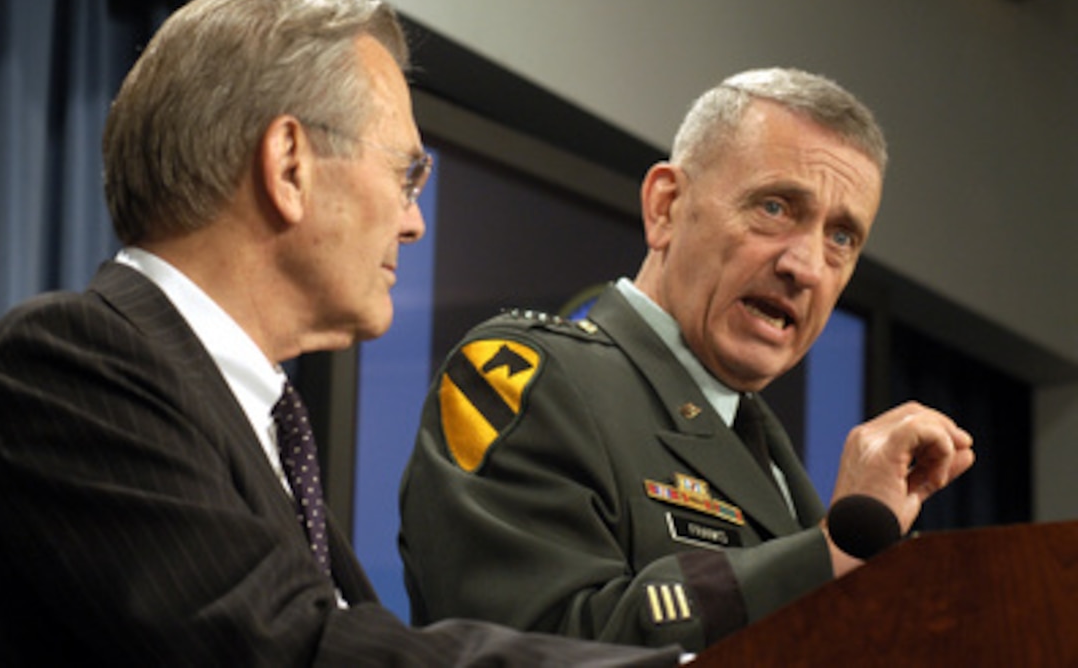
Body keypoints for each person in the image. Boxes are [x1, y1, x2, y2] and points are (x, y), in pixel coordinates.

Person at [0, 0, 684, 667]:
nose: (413, 222)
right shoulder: (67, 363)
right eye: (406, 176)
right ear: (290, 165)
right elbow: (289, 648)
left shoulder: (263, 424)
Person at [399, 67, 976, 653]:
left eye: (842, 238)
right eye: (775, 207)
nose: (805, 266)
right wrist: (829, 552)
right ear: (667, 207)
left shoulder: (773, 465)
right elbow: (541, 647)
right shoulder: (526, 377)